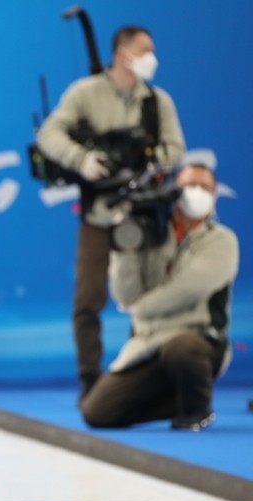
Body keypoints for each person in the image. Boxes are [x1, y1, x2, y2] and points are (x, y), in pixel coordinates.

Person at [37, 25, 186, 400]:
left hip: (144, 213)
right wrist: (82, 159)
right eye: (145, 50)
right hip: (99, 212)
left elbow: (175, 149)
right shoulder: (85, 93)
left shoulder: (157, 102)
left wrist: (147, 166)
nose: (152, 57)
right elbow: (49, 135)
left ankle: (147, 373)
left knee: (150, 296)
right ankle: (90, 378)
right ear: (123, 54)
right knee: (88, 298)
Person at [80, 162, 238, 431]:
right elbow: (125, 295)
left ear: (215, 195)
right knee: (97, 413)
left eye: (205, 187)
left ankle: (197, 410)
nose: (197, 191)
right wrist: (126, 244)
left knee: (181, 350)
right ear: (175, 190)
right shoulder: (151, 233)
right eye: (190, 185)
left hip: (198, 341)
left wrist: (140, 308)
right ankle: (178, 401)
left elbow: (188, 289)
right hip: (147, 344)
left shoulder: (222, 240)